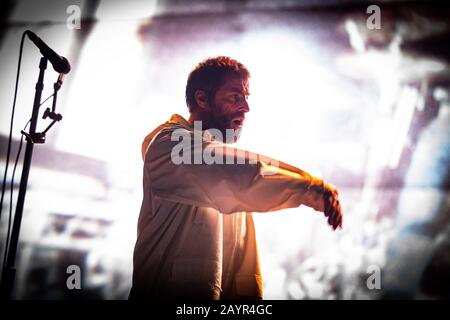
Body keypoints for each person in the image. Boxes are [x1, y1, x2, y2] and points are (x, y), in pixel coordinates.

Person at [129, 56, 343, 300]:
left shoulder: (226, 166)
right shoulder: (169, 146)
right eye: (234, 97)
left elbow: (242, 272)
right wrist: (308, 188)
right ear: (201, 99)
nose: (245, 107)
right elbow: (235, 176)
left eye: (246, 97)